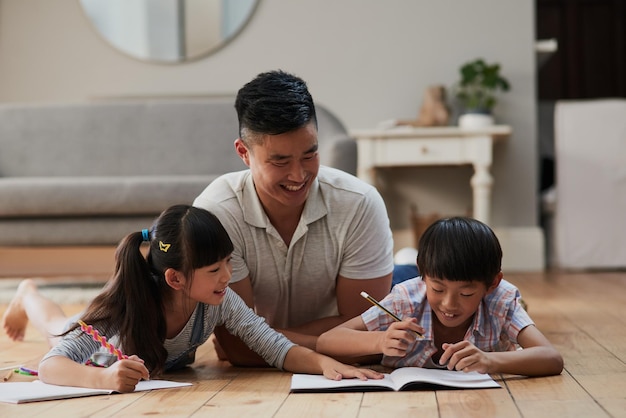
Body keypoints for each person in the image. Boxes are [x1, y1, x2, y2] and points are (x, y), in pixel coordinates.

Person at [1, 205, 383, 392]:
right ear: (175, 278)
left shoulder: (219, 300)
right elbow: (52, 366)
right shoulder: (121, 310)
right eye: (214, 270)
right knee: (57, 331)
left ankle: (28, 293)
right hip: (106, 350)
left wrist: (326, 363)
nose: (227, 276)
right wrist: (102, 379)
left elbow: (274, 346)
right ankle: (27, 292)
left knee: (60, 330)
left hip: (135, 357)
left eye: (227, 263)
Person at [193, 70, 394, 365]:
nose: (298, 175)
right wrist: (338, 343)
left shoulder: (360, 203)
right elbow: (236, 345)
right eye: (280, 161)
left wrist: (261, 339)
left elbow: (370, 334)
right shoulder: (217, 214)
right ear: (244, 153)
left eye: (309, 155)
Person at [317, 217, 564, 377]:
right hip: (404, 276)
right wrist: (379, 341)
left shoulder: (500, 300)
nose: (449, 304)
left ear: (491, 284)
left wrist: (491, 361)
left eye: (466, 293)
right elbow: (327, 341)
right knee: (400, 270)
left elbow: (552, 358)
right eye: (438, 289)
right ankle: (407, 259)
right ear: (424, 277)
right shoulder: (405, 299)